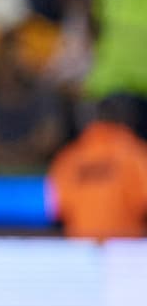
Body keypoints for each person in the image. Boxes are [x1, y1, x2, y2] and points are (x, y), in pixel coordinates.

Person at [48, 96, 147, 240]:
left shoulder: (68, 158)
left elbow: (58, 209)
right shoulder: (137, 154)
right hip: (128, 250)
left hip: (81, 249)